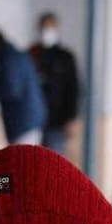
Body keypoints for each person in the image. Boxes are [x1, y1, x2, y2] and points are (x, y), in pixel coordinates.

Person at [29, 12, 81, 155]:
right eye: (44, 27)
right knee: (32, 160)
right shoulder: (32, 53)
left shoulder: (65, 57)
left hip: (57, 121)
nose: (46, 31)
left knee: (53, 159)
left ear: (57, 29)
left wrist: (72, 118)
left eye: (50, 28)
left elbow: (73, 88)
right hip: (33, 121)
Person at [0, 28, 47, 145]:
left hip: (23, 122)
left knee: (21, 155)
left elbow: (11, 90)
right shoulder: (14, 55)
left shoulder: (9, 59)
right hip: (29, 120)